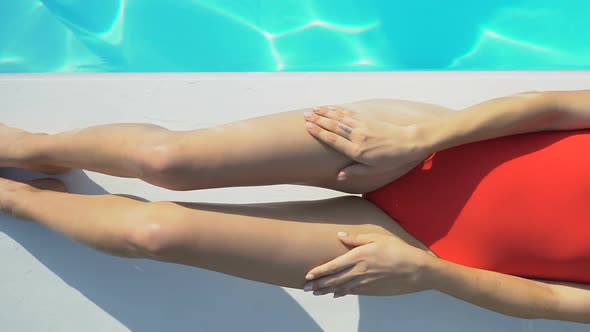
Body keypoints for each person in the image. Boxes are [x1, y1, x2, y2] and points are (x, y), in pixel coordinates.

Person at [0, 90, 588, 323]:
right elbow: (556, 107)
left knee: (156, 233)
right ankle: (33, 147)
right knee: (167, 161)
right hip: (431, 149)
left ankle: (20, 200)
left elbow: (553, 301)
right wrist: (418, 141)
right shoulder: (422, 144)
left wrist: (429, 274)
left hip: (419, 249)